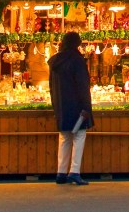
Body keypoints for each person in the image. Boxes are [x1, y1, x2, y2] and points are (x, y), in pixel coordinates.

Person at [48, 31, 94, 185]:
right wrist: (86, 107)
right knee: (79, 137)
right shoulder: (77, 61)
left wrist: (56, 106)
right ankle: (74, 171)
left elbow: (51, 87)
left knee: (64, 138)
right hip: (77, 107)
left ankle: (61, 173)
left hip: (62, 107)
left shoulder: (55, 62)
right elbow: (82, 86)